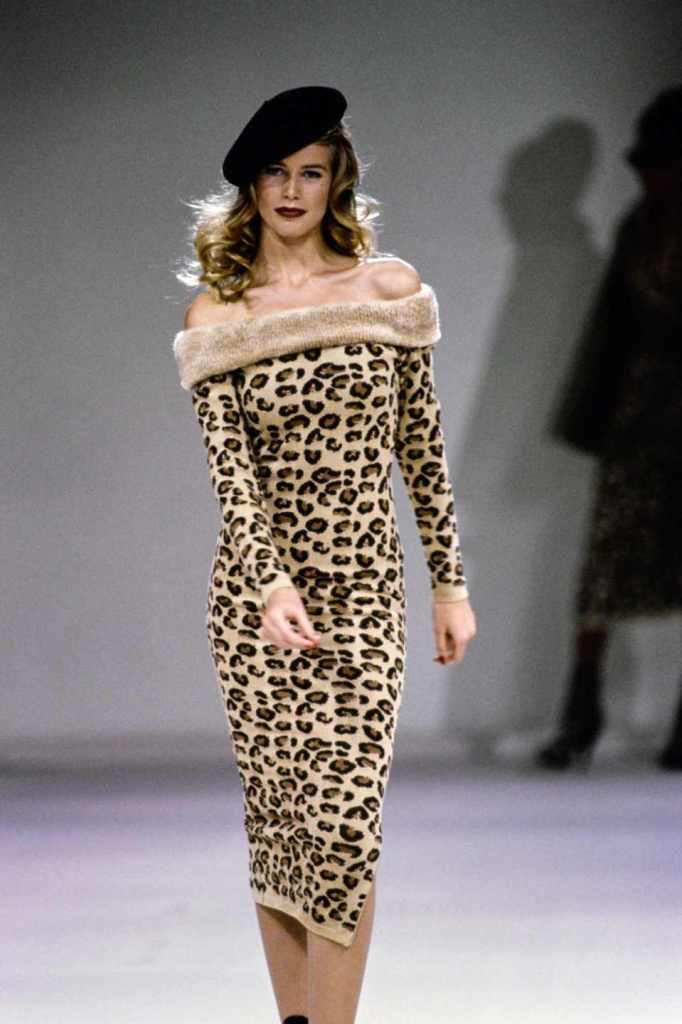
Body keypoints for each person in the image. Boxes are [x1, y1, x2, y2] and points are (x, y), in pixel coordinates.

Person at [172, 86, 477, 1024]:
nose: (292, 190)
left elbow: (421, 447)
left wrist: (450, 584)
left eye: (311, 172)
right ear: (251, 185)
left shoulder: (388, 292)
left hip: (366, 595)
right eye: (276, 172)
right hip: (255, 605)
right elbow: (231, 477)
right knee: (282, 832)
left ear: (337, 180)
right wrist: (268, 583)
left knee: (343, 828)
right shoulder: (218, 318)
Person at [536, 85, 682, 772]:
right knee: (603, 565)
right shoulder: (636, 227)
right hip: (637, 415)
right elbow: (612, 328)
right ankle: (581, 712)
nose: (650, 178)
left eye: (662, 165)